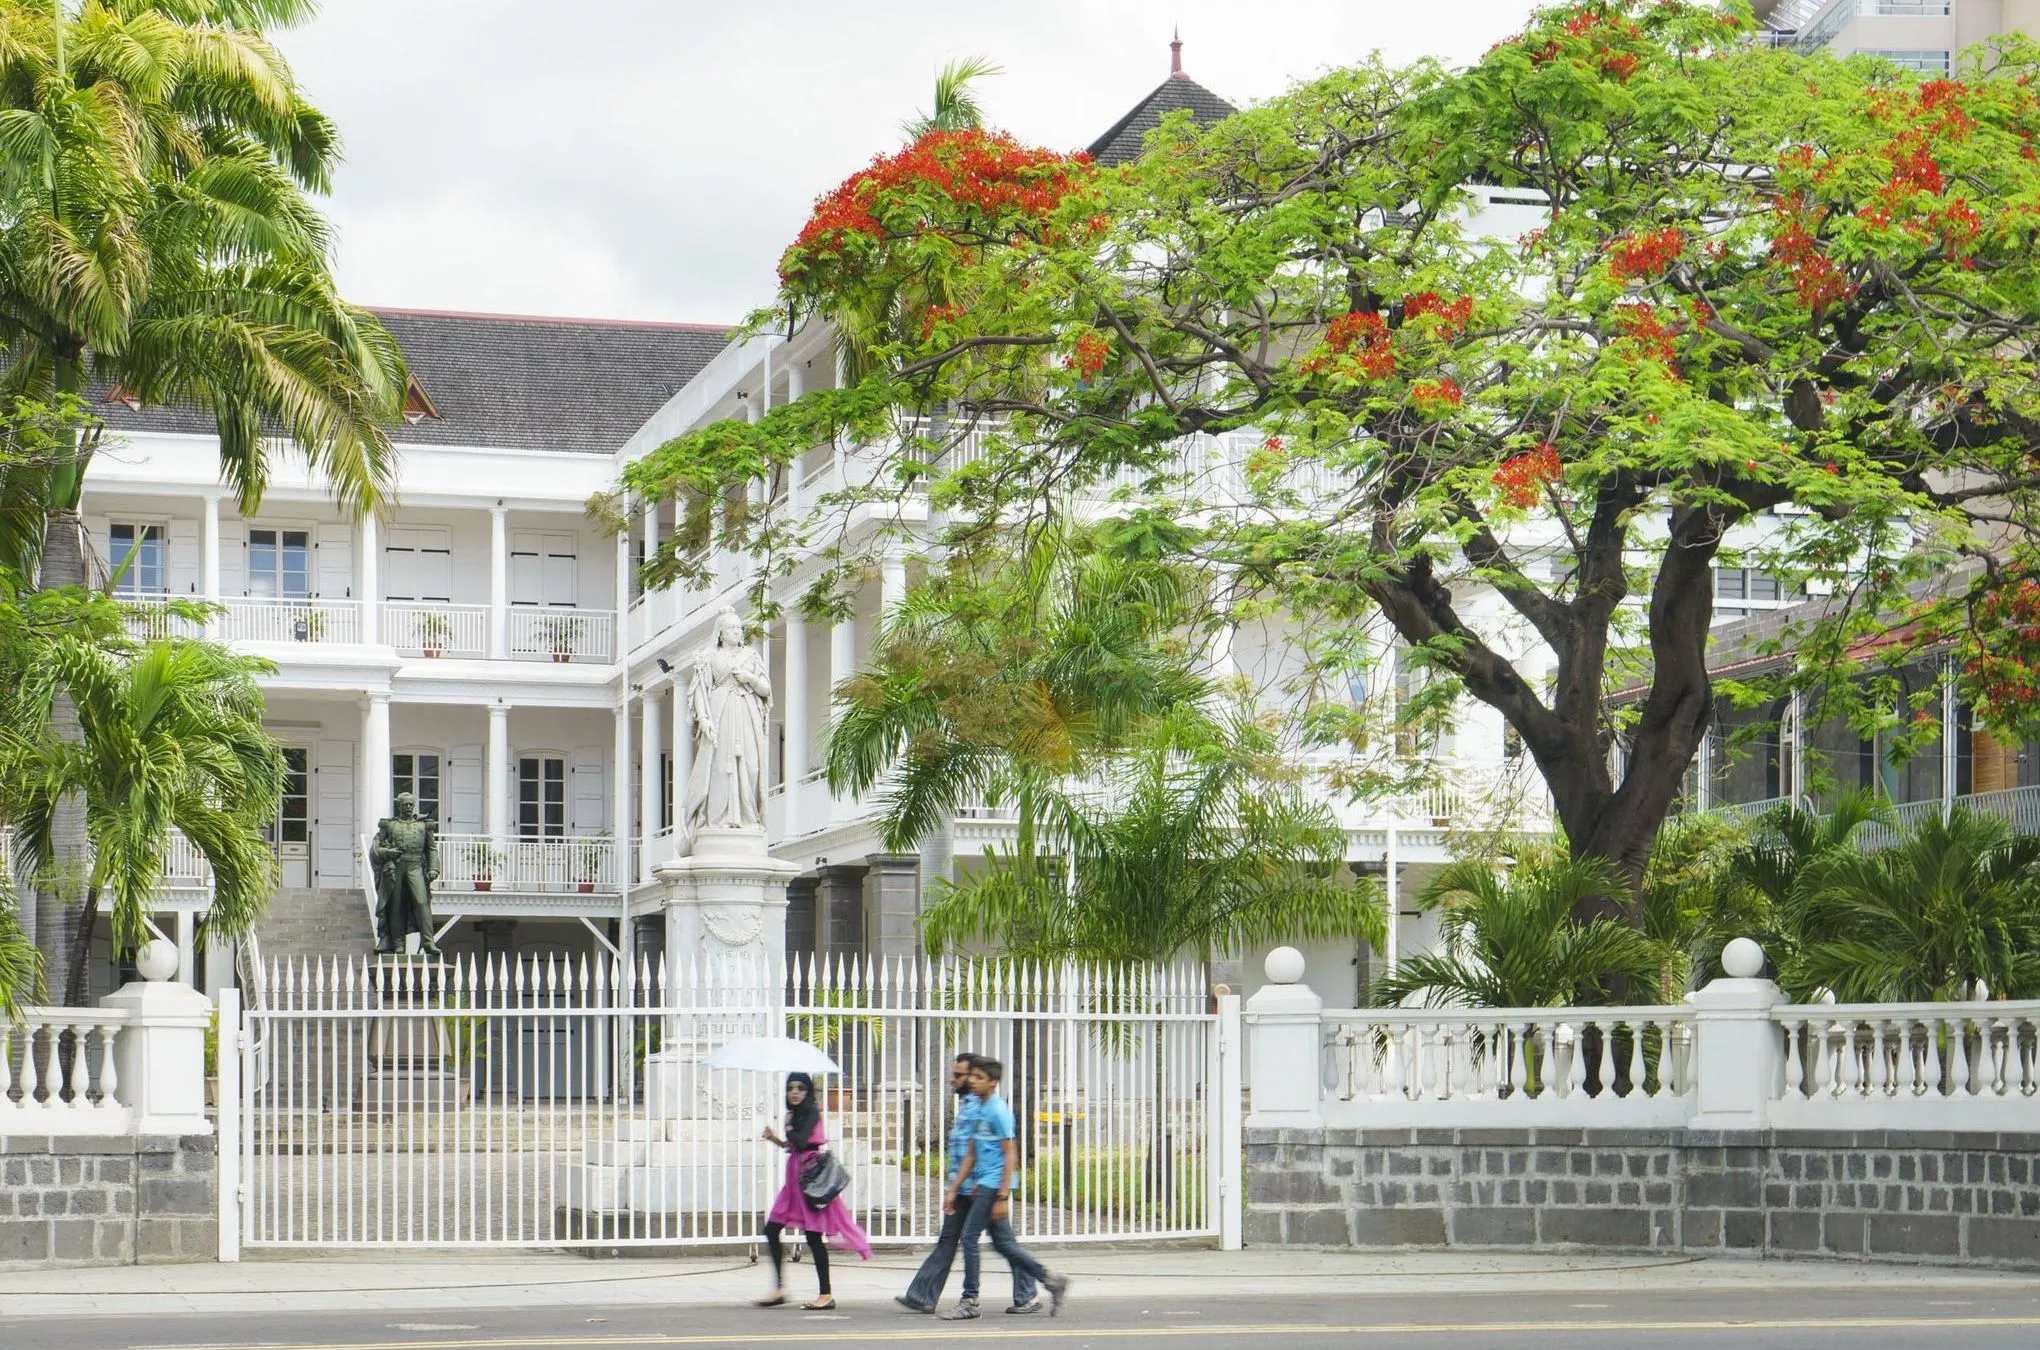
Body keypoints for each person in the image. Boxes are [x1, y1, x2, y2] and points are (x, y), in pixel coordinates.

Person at [896, 1055, 1041, 1316]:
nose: (956, 1079)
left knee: (999, 1242)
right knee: (954, 1241)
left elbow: (997, 1151)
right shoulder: (968, 1103)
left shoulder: (982, 1106)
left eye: (961, 1075)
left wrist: (997, 1193)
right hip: (968, 1185)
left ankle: (1018, 1294)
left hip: (981, 1187)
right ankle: (923, 1295)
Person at [940, 1057, 1071, 1320]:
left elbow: (1010, 1154)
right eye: (972, 1077)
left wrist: (1003, 1194)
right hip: (981, 1184)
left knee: (968, 1238)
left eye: (978, 1078)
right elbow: (971, 1154)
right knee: (1003, 1244)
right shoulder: (979, 1110)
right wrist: (954, 1188)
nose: (972, 1082)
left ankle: (970, 1300)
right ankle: (1051, 1279)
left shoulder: (998, 1111)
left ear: (993, 1082)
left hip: (993, 1184)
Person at [757, 1072, 871, 1309]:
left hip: (810, 1181)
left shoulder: (811, 1112)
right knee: (771, 1229)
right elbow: (793, 1145)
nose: (795, 1092)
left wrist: (787, 1126)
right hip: (794, 1182)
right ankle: (779, 1288)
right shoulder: (797, 1114)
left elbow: (800, 1141)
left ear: (808, 1091)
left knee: (813, 1237)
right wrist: (774, 1138)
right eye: (791, 1088)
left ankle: (826, 1294)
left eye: (800, 1088)